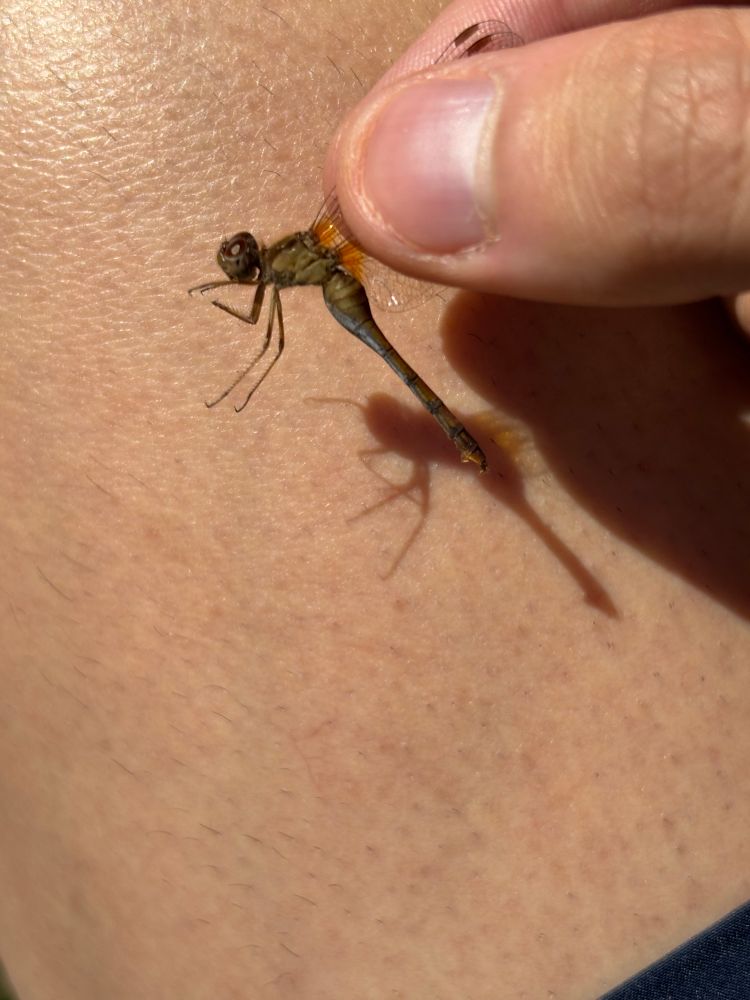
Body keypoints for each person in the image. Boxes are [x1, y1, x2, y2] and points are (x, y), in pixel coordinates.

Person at [0, 1, 748, 998]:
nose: (240, 266)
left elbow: (265, 341)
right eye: (240, 264)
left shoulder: (302, 260)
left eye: (240, 262)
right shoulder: (282, 262)